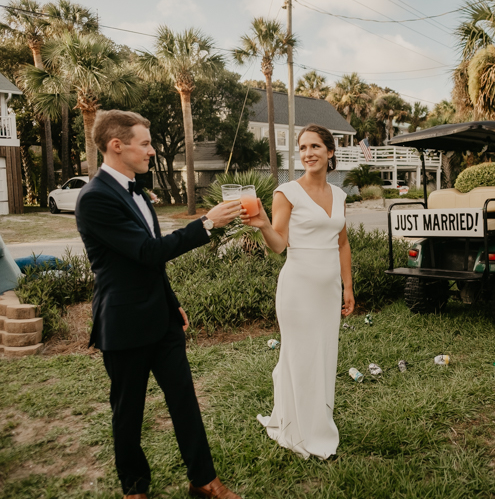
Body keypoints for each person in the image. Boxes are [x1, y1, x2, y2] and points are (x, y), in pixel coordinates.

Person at [75, 110, 244, 499]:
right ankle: (135, 490)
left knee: (185, 399)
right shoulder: (95, 198)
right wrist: (206, 223)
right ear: (117, 145)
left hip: (161, 317)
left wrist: (172, 303)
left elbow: (147, 266)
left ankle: (203, 479)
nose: (151, 151)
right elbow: (148, 251)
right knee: (128, 412)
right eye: (146, 143)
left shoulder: (135, 189)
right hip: (124, 323)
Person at [243, 123, 355, 460]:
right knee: (302, 358)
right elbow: (279, 245)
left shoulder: (339, 195)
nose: (308, 153)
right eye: (303, 148)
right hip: (298, 290)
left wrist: (347, 285)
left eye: (315, 147)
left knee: (323, 357)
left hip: (328, 291)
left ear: (330, 152)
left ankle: (314, 419)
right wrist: (264, 224)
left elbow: (343, 242)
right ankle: (308, 433)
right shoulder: (286, 192)